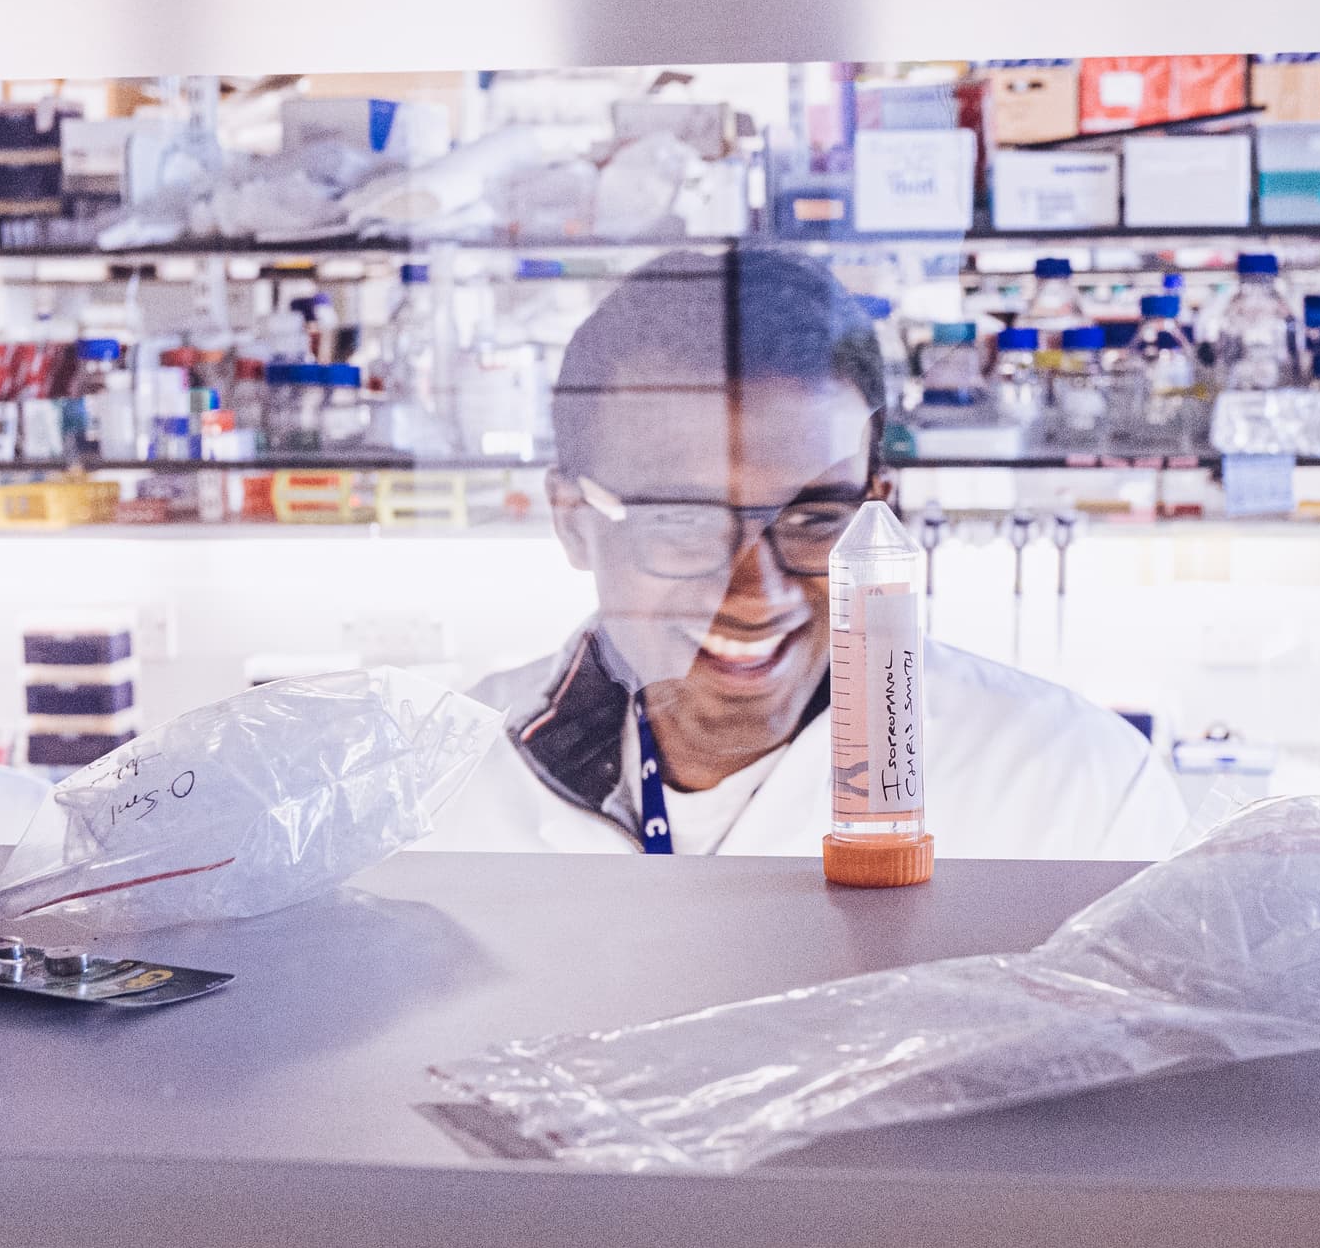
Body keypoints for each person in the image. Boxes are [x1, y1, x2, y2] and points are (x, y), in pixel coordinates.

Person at [422, 246, 1192, 860]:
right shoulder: (440, 793)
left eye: (815, 518)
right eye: (685, 523)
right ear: (573, 521)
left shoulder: (1074, 792)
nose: (756, 591)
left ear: (877, 510)